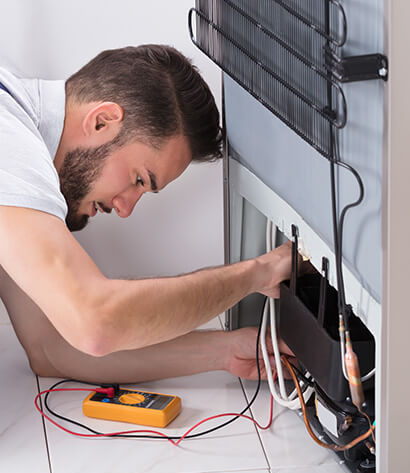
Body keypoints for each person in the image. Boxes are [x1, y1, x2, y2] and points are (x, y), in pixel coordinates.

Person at [0, 44, 292, 384]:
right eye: (138, 180)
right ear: (101, 121)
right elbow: (94, 322)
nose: (124, 208)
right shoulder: (9, 143)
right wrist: (257, 273)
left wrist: (226, 351)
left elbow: (52, 348)